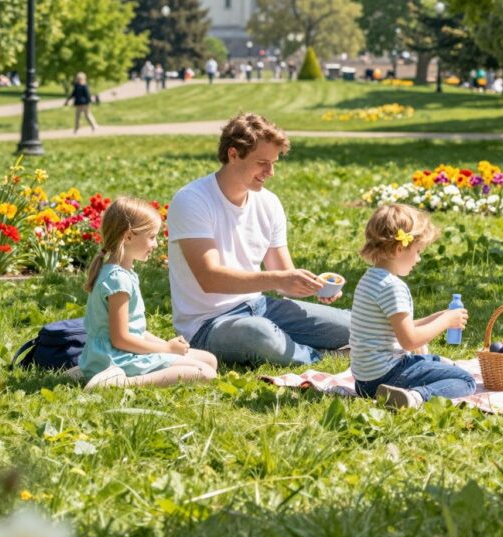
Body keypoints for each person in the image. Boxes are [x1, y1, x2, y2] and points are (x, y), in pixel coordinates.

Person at [166, 113, 350, 366]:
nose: (270, 172)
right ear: (233, 155)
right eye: (262, 162)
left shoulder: (268, 202)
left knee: (352, 325)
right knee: (259, 334)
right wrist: (278, 279)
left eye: (273, 163)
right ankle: (325, 356)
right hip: (208, 324)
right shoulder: (192, 200)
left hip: (260, 306)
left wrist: (312, 286)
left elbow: (283, 277)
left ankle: (300, 347)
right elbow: (209, 278)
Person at [80, 198, 218, 390]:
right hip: (117, 358)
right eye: (152, 237)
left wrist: (168, 348)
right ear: (128, 237)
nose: (156, 244)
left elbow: (135, 332)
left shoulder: (121, 273)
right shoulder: (117, 279)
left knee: (210, 360)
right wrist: (166, 349)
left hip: (115, 354)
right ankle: (119, 383)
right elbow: (121, 339)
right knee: (206, 373)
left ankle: (98, 374)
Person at [350, 204, 476, 408]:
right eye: (417, 251)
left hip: (364, 381)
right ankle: (415, 397)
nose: (418, 259)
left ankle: (429, 369)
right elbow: (410, 341)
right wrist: (445, 322)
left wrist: (439, 316)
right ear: (399, 249)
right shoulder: (392, 286)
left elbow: (399, 327)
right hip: (387, 376)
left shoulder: (370, 279)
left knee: (433, 362)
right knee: (466, 380)